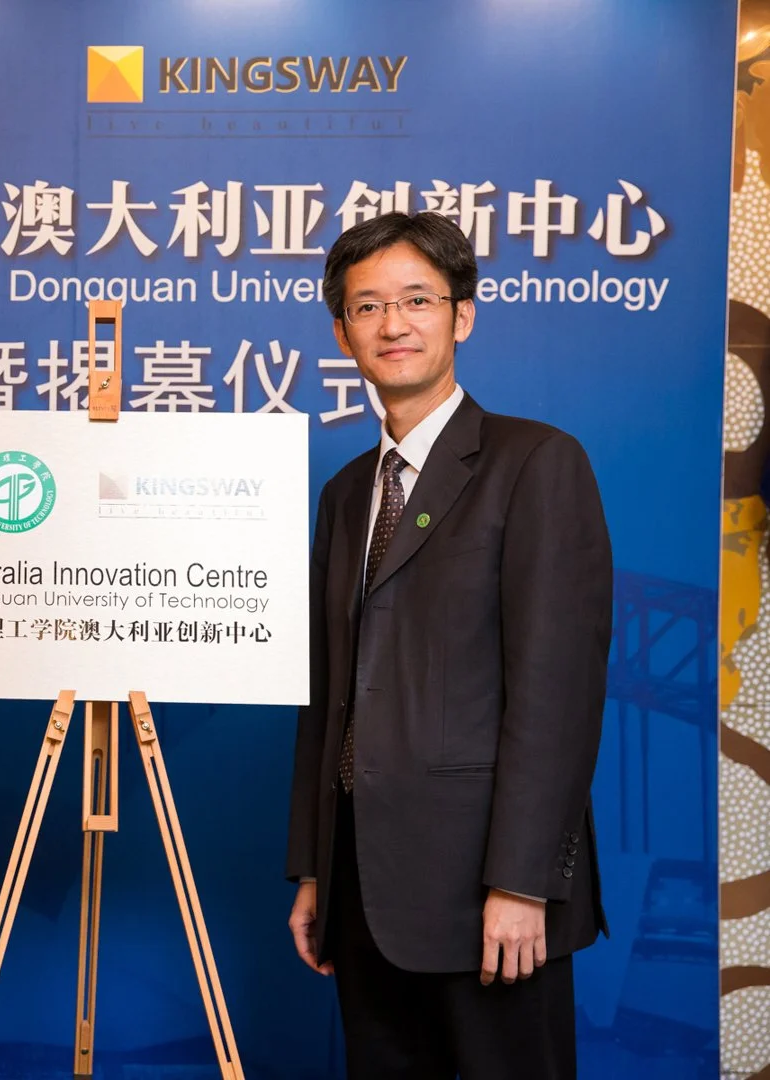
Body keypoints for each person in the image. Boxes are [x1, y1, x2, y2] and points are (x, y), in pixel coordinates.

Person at [285, 211, 611, 1078]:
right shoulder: (348, 492)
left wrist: (521, 880)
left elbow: (557, 694)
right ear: (342, 331)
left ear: (461, 315)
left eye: (417, 300)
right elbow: (331, 694)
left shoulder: (535, 463)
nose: (394, 325)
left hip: (488, 899)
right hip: (362, 888)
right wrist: (315, 869)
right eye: (367, 307)